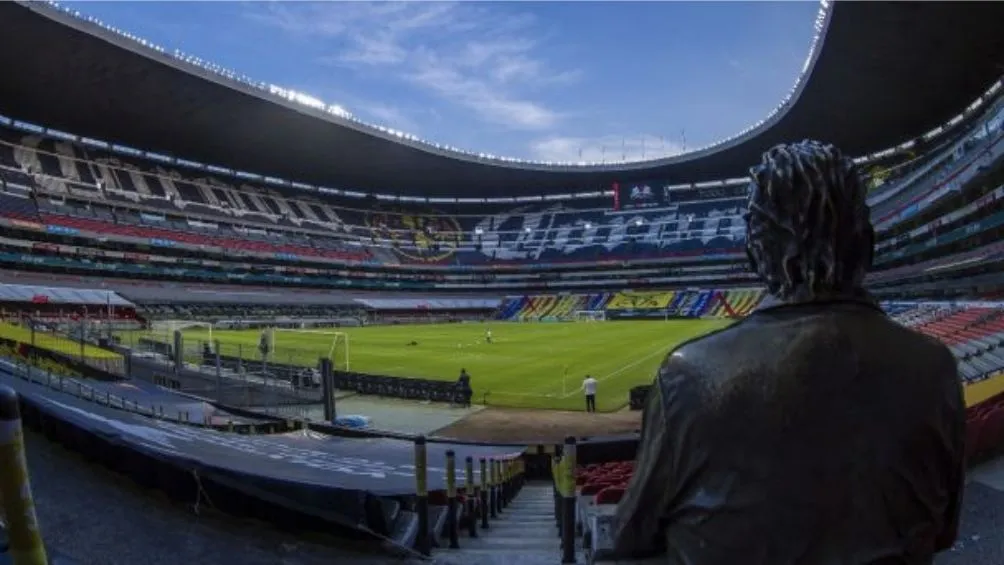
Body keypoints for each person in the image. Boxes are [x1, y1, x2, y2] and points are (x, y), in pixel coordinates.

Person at [610, 140, 965, 564]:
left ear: (755, 253)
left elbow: (628, 540)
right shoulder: (933, 368)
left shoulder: (688, 374)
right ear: (867, 243)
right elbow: (942, 531)